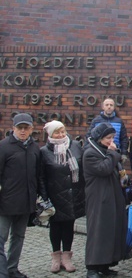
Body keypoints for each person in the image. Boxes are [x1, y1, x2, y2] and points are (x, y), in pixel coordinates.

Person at [39, 121, 85, 274]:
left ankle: (67, 256)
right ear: (50, 135)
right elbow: (41, 177)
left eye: (63, 131)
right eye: (57, 132)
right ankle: (56, 257)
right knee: (55, 226)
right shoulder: (44, 152)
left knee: (68, 227)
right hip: (55, 195)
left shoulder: (75, 146)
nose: (61, 135)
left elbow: (83, 169)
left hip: (73, 194)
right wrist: (44, 197)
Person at [83, 122, 127, 278]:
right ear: (99, 137)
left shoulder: (106, 151)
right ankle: (92, 267)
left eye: (112, 137)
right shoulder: (90, 153)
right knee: (98, 231)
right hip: (98, 197)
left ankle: (105, 265)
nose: (111, 141)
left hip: (112, 196)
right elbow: (104, 169)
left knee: (110, 231)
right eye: (108, 138)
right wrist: (113, 154)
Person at [0, 113, 40, 278]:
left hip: (25, 203)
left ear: (31, 129)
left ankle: (12, 269)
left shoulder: (34, 148)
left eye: (26, 128)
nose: (23, 131)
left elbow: (38, 175)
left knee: (18, 237)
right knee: (0, 239)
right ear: (13, 128)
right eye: (20, 128)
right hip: (5, 202)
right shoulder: (3, 146)